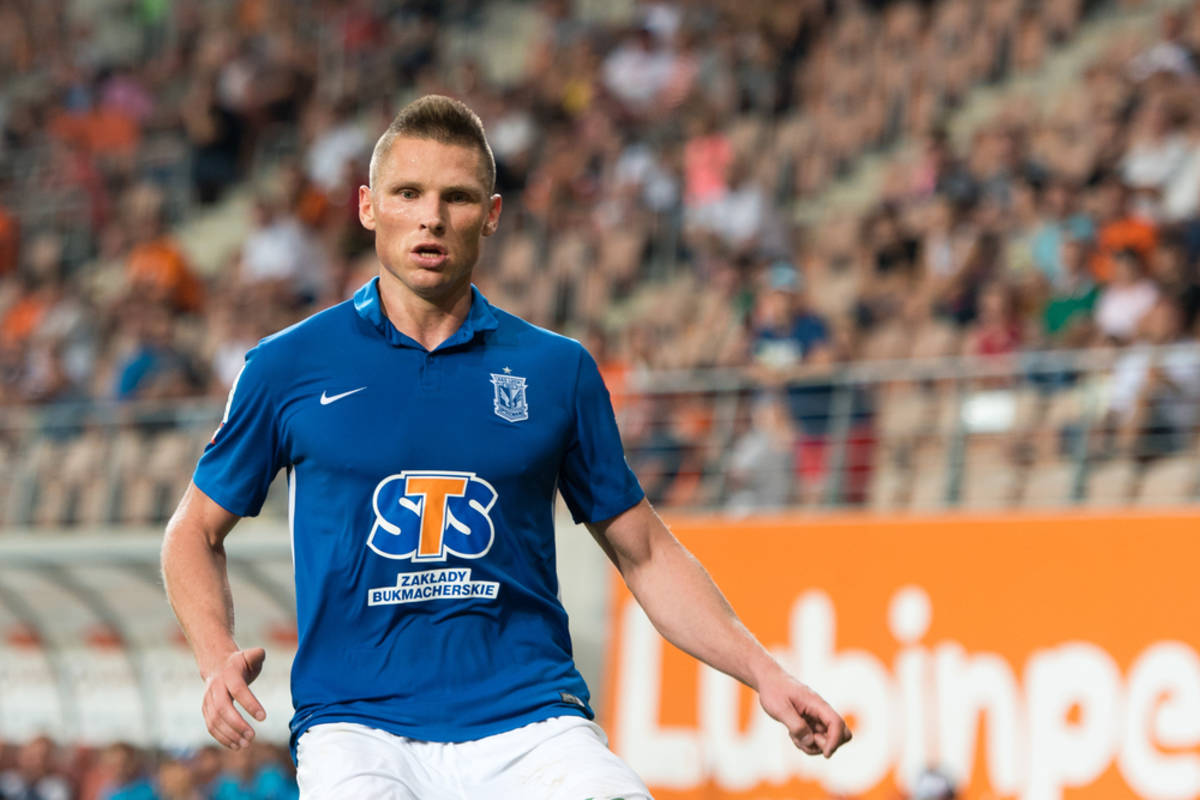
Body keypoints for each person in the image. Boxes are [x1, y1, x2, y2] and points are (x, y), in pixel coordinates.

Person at [161, 95, 851, 799]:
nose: (431, 218)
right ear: (368, 207)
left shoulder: (556, 370)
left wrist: (766, 673)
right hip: (359, 728)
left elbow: (644, 551)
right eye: (408, 193)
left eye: (457, 198)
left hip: (533, 722)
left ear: (490, 215)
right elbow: (192, 532)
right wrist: (215, 657)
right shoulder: (286, 366)